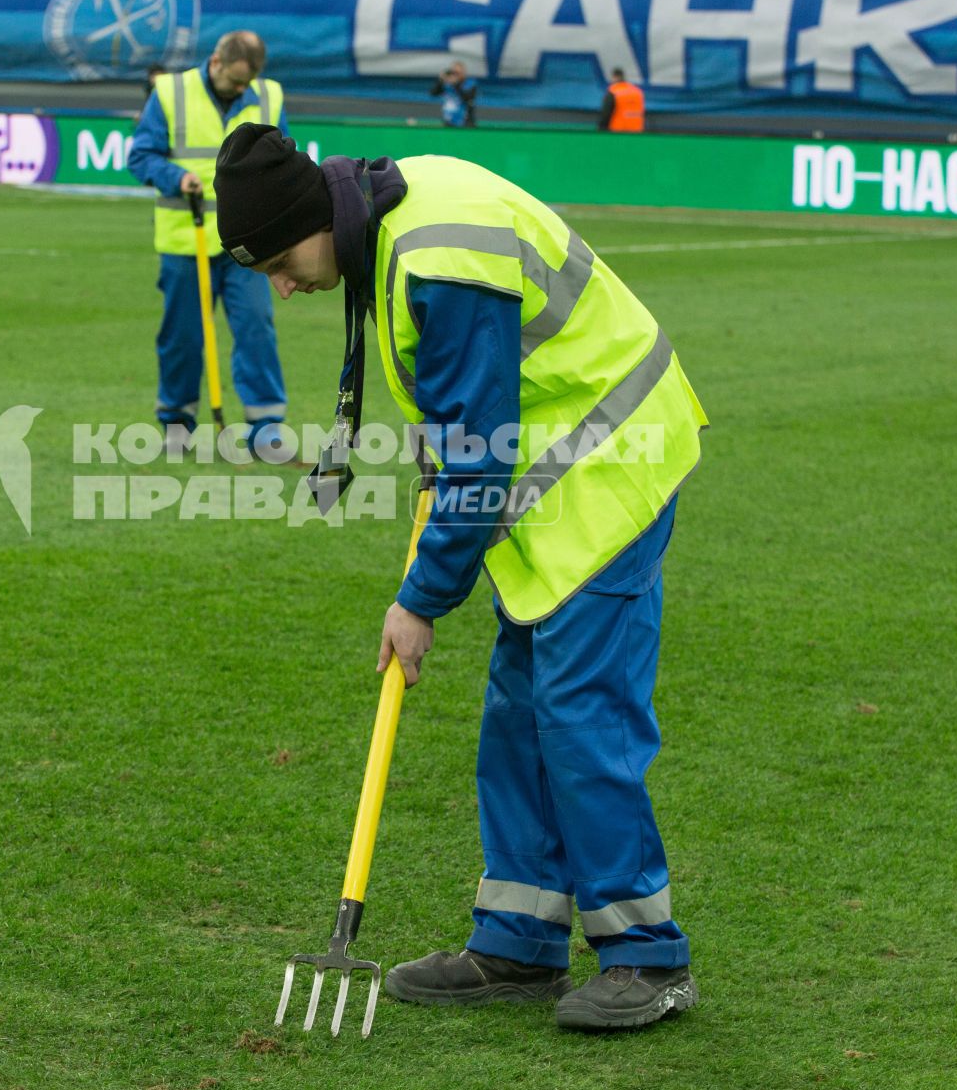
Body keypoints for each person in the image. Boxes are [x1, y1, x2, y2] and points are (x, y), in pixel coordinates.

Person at [213, 124, 707, 1033]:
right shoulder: (382, 215)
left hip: (609, 467)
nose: (283, 288)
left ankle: (648, 957)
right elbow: (463, 422)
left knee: (579, 714)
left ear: (312, 218)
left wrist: (421, 601)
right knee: (519, 713)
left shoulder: (438, 255)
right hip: (549, 480)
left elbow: (482, 455)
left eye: (282, 261)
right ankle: (519, 938)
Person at [125, 31, 292, 461]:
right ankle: (177, 426)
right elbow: (141, 156)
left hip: (250, 244)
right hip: (186, 240)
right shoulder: (169, 93)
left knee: (256, 327)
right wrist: (176, 178)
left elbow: (284, 160)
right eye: (236, 82)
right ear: (216, 61)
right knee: (181, 337)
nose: (242, 91)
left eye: (247, 84)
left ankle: (266, 430)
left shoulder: (267, 95)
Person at [430, 60, 478, 128]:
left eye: (458, 73)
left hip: (466, 122)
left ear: (464, 72)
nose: (455, 75)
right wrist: (440, 80)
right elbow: (433, 93)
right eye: (454, 72)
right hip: (448, 121)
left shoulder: (470, 83)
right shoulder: (447, 84)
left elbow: (468, 98)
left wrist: (456, 84)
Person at [598, 67, 644, 132]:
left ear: (614, 77)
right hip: (637, 131)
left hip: (618, 131)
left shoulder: (613, 91)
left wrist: (601, 128)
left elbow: (606, 113)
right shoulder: (637, 92)